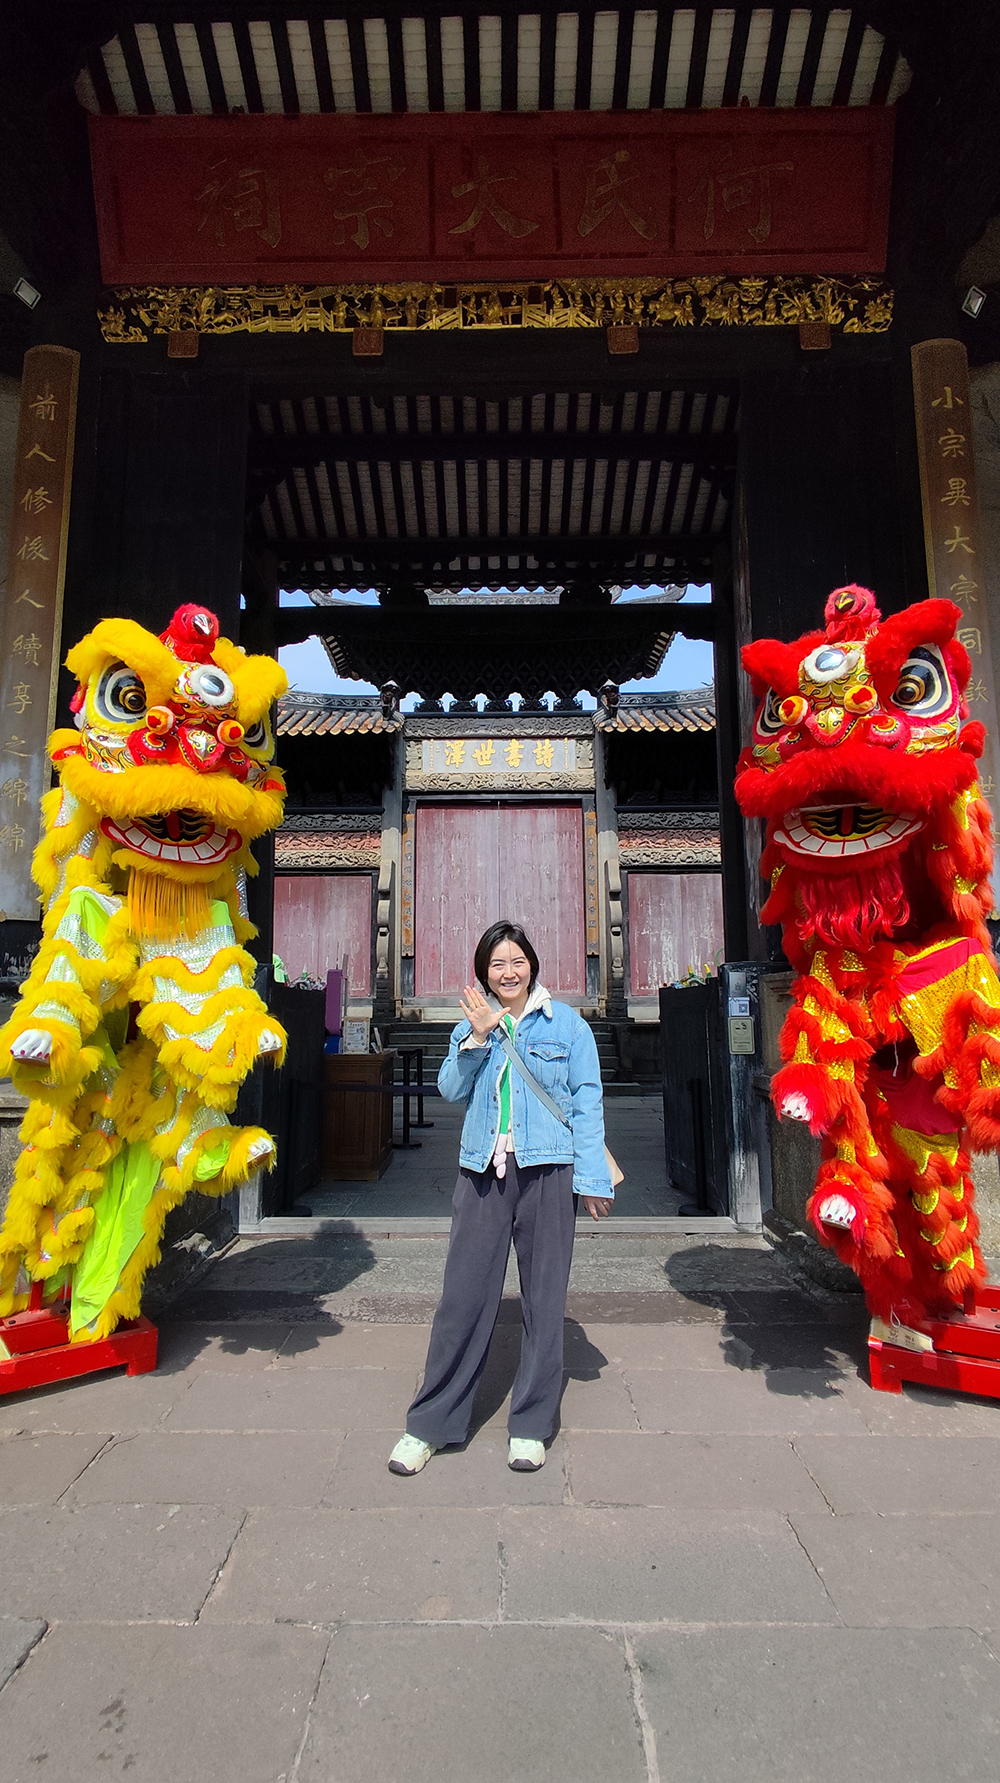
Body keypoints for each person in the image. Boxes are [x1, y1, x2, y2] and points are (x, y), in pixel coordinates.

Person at [388, 920, 613, 1476]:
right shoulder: (471, 1024)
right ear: (483, 973)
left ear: (531, 964)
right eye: (497, 964)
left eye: (517, 961)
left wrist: (592, 1180)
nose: (508, 972)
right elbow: (449, 1089)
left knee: (544, 1300)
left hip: (548, 1171)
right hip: (482, 1171)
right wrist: (477, 1039)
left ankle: (531, 1424)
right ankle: (430, 1423)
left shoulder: (568, 1027)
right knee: (462, 1296)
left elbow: (586, 1103)